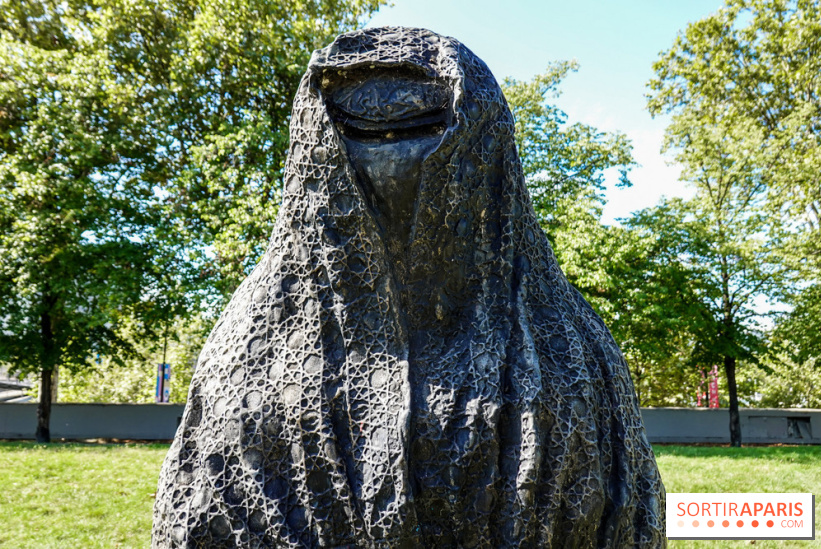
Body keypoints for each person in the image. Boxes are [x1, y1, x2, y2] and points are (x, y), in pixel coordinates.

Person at [153, 26, 665, 548]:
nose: (392, 157)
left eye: (419, 130)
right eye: (367, 134)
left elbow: (627, 515)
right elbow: (196, 513)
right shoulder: (250, 347)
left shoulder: (568, 351)